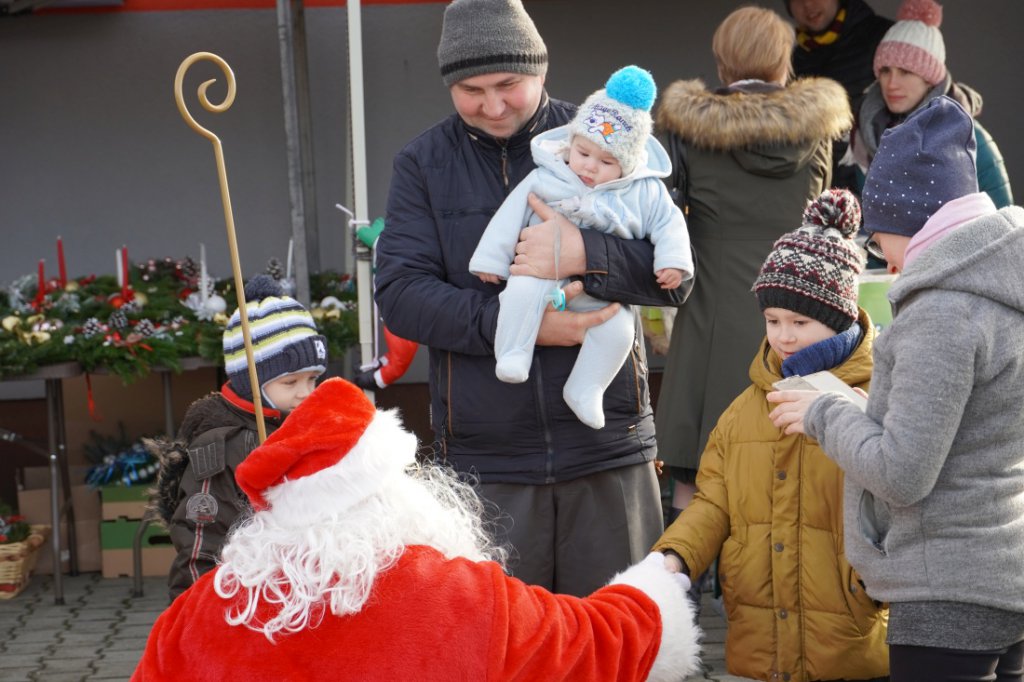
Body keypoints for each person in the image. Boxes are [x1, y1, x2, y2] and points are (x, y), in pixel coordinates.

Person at [374, 0, 689, 597]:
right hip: (486, 461)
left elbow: (677, 274)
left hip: (607, 449)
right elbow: (401, 296)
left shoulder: (607, 137)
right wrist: (516, 326)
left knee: (619, 644)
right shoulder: (421, 164)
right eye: (471, 89)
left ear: (541, 71)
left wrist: (582, 255)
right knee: (501, 652)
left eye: (508, 85)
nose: (492, 106)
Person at [133, 378, 703, 681]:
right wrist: (658, 579)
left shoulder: (205, 609)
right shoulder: (461, 597)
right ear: (390, 491)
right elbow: (594, 644)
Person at [768, 97, 1024, 680]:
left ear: (917, 220)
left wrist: (825, 412)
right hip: (1002, 574)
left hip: (945, 591)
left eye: (882, 235)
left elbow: (902, 475)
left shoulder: (943, 312)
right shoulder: (1000, 286)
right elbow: (967, 434)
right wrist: (864, 408)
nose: (883, 254)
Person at [654, 189, 888, 682]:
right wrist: (674, 556)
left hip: (851, 645)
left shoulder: (882, 399)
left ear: (841, 316)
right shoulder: (744, 411)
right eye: (773, 320)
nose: (783, 337)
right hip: (759, 645)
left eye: (800, 322)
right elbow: (712, 502)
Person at [653, 5, 851, 525]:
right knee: (793, 465)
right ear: (784, 61)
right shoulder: (817, 129)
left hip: (709, 314)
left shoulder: (689, 129)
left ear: (722, 63)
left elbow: (668, 218)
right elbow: (822, 222)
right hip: (797, 319)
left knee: (696, 473)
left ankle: (686, 594)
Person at [469, 65, 693, 429]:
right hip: (539, 275)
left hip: (602, 289)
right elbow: (509, 218)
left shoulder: (644, 192)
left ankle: (587, 389)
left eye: (607, 162)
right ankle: (513, 352)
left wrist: (673, 262)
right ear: (570, 144)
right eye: (583, 153)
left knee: (619, 332)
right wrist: (492, 259)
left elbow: (670, 225)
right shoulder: (547, 176)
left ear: (630, 164)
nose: (589, 167)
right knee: (520, 293)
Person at [150, 274, 328, 601]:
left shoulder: (300, 426)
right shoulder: (220, 446)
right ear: (250, 381)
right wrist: (197, 613)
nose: (306, 393)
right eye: (290, 383)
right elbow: (201, 540)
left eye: (313, 379)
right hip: (244, 598)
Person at [845, 0, 1012, 208]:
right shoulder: (866, 134)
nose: (891, 83)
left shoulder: (971, 139)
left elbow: (1004, 227)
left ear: (930, 80)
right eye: (885, 71)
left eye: (905, 72)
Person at [785, 0, 893, 191]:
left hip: (879, 186)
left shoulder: (883, 37)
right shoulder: (792, 61)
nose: (808, 5)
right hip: (819, 193)